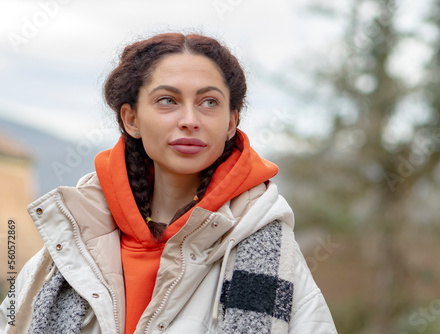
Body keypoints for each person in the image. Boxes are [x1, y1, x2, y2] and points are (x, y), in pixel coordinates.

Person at [0, 32, 336, 333]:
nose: (190, 120)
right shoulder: (72, 239)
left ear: (231, 122)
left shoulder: (268, 247)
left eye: (209, 102)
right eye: (167, 100)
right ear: (131, 119)